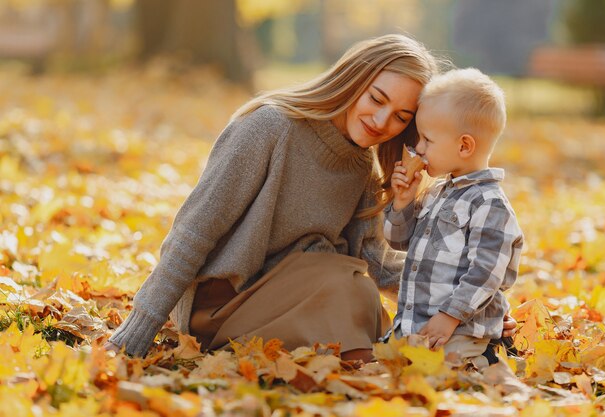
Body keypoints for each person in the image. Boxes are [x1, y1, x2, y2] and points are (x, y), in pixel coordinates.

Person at [105, 35, 516, 362]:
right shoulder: (269, 128)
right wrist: (141, 325)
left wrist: (472, 307)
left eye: (402, 118)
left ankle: (372, 368)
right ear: (352, 79)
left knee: (362, 295)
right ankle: (369, 369)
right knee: (348, 286)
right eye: (376, 99)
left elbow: (378, 262)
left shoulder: (361, 168)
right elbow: (194, 232)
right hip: (224, 306)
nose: (381, 122)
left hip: (312, 295)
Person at [383, 68, 523, 368]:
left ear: (464, 146)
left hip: (459, 329)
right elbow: (398, 242)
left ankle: (489, 361)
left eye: (427, 139)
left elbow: (486, 273)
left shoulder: (489, 204)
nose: (418, 147)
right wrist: (403, 203)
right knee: (392, 365)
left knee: (448, 371)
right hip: (417, 325)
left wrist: (450, 316)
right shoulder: (436, 193)